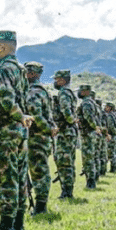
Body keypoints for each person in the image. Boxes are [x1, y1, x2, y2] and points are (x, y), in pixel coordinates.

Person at [0, 30, 32, 230]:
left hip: (6, 129)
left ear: (1, 46)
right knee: (19, 176)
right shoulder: (20, 70)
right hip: (19, 132)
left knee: (4, 177)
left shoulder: (2, 70)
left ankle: (6, 226)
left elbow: (6, 98)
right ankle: (18, 223)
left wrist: (18, 116)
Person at [24, 61, 57, 215]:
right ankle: (40, 204)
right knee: (40, 169)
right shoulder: (43, 90)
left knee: (38, 170)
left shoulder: (33, 91)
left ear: (32, 73)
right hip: (41, 137)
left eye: (26, 72)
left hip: (36, 137)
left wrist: (48, 129)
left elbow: (35, 115)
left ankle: (41, 207)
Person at [52, 70, 77, 198]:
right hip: (69, 130)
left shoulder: (63, 93)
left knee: (64, 161)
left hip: (65, 130)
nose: (55, 81)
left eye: (57, 79)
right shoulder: (70, 93)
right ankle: (68, 189)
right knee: (68, 161)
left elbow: (66, 111)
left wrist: (69, 121)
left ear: (62, 80)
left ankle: (67, 192)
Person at [76, 85, 101, 189]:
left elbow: (88, 117)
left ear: (86, 92)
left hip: (88, 134)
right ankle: (92, 180)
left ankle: (91, 182)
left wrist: (95, 127)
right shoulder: (92, 102)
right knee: (91, 157)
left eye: (81, 91)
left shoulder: (86, 102)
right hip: (91, 133)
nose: (79, 92)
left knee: (88, 159)